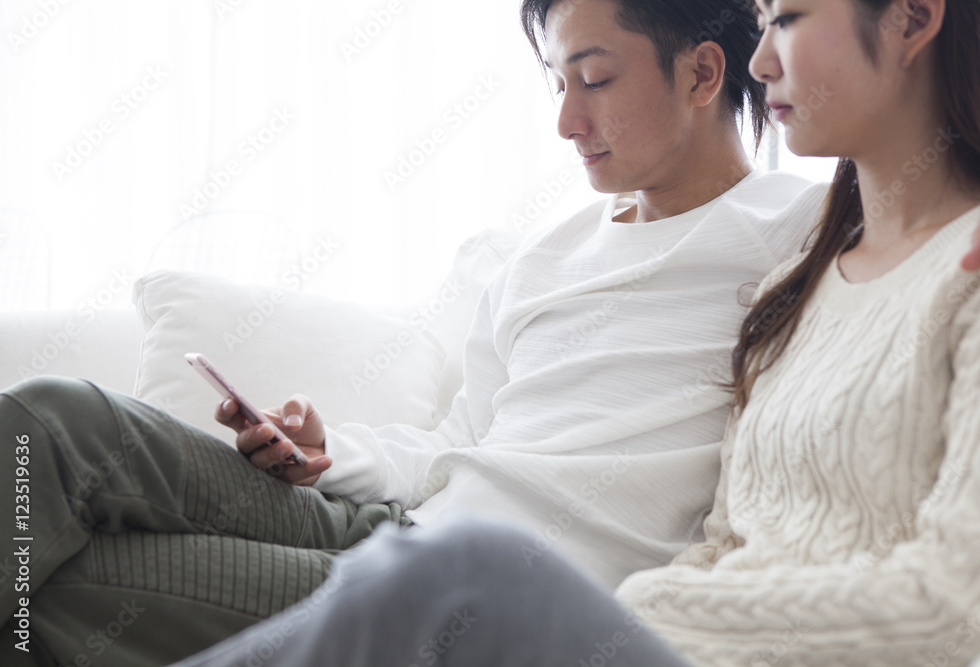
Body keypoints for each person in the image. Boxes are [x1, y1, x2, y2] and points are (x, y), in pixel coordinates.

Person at [0, 1, 832, 665]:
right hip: (393, 528)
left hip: (485, 596)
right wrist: (330, 454)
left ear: (703, 72)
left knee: (67, 584)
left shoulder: (800, 235)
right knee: (48, 419)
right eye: (558, 85)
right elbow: (455, 444)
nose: (566, 121)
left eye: (596, 79)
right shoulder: (542, 256)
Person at [171, 0, 980, 664]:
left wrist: (632, 615)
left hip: (663, 631)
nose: (760, 59)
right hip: (635, 627)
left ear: (913, 18)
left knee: (469, 568)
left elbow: (960, 598)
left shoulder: (913, 268)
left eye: (787, 18)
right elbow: (723, 539)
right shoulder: (801, 283)